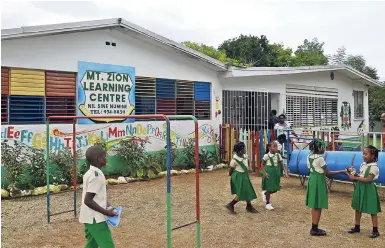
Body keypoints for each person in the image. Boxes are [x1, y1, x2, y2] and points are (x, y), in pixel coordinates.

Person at [305, 139, 346, 236]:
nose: (324, 149)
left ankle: (314, 227)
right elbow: (327, 172)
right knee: (318, 205)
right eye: (323, 147)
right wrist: (341, 171)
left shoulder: (309, 156)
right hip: (319, 180)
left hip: (312, 179)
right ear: (319, 148)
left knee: (314, 204)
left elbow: (308, 170)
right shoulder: (320, 158)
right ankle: (314, 228)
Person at [79, 146, 118, 248]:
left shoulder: (90, 173)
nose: (106, 158)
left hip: (89, 217)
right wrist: (106, 212)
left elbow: (94, 195)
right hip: (95, 219)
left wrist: (106, 203)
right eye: (105, 156)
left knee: (91, 245)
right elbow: (88, 200)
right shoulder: (96, 176)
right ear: (99, 159)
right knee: (108, 246)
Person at [346, 145, 381, 238]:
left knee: (372, 209)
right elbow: (361, 176)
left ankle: (375, 230)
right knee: (358, 207)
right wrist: (353, 173)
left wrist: (355, 177)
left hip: (369, 189)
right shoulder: (363, 164)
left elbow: (368, 179)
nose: (363, 156)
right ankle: (357, 227)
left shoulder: (374, 167)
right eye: (363, 154)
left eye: (366, 154)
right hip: (360, 188)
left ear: (373, 156)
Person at [226, 142, 258, 214]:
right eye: (244, 148)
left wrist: (249, 168)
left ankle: (249, 206)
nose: (245, 149)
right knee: (242, 191)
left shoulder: (245, 156)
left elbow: (248, 160)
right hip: (238, 176)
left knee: (248, 190)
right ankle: (231, 204)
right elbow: (231, 170)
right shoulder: (234, 160)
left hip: (244, 175)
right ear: (240, 151)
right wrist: (231, 175)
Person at [260, 141, 288, 210]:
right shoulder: (266, 156)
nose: (276, 148)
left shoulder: (278, 155)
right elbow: (262, 165)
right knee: (269, 188)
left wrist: (285, 172)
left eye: (276, 147)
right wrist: (265, 173)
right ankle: (268, 203)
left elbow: (282, 164)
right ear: (269, 148)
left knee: (276, 188)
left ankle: (265, 193)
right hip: (269, 173)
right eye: (274, 146)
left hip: (275, 174)